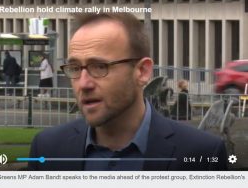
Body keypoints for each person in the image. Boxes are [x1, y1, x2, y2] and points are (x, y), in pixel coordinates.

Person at [29, 13, 227, 171]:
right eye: (74, 68)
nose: (83, 84)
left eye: (99, 67)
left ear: (142, 71)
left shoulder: (203, 154)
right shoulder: (46, 149)